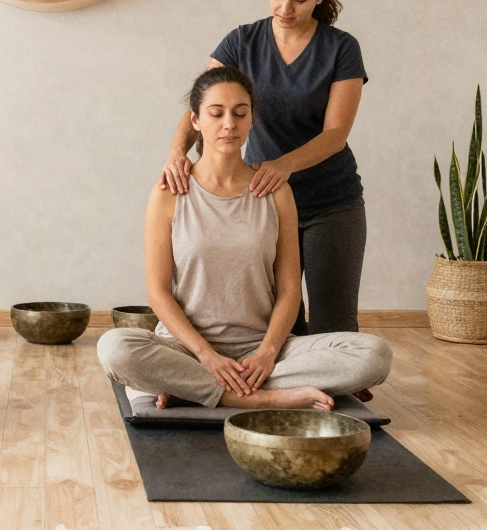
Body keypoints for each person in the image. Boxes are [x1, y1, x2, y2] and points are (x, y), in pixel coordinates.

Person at [99, 66, 390, 410]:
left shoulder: (275, 191)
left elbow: (289, 290)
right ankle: (263, 398)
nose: (229, 124)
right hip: (186, 348)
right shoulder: (169, 193)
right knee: (114, 347)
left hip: (260, 348)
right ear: (195, 120)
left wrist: (267, 353)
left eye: (240, 113)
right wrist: (206, 356)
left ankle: (194, 388)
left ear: (252, 119)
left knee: (374, 354)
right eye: (216, 113)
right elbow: (158, 293)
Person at [159, 0, 368, 340]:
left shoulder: (341, 48)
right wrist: (176, 153)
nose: (286, 8)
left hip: (330, 203)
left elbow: (335, 134)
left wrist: (282, 165)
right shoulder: (242, 43)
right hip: (261, 202)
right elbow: (204, 103)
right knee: (280, 324)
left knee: (335, 329)